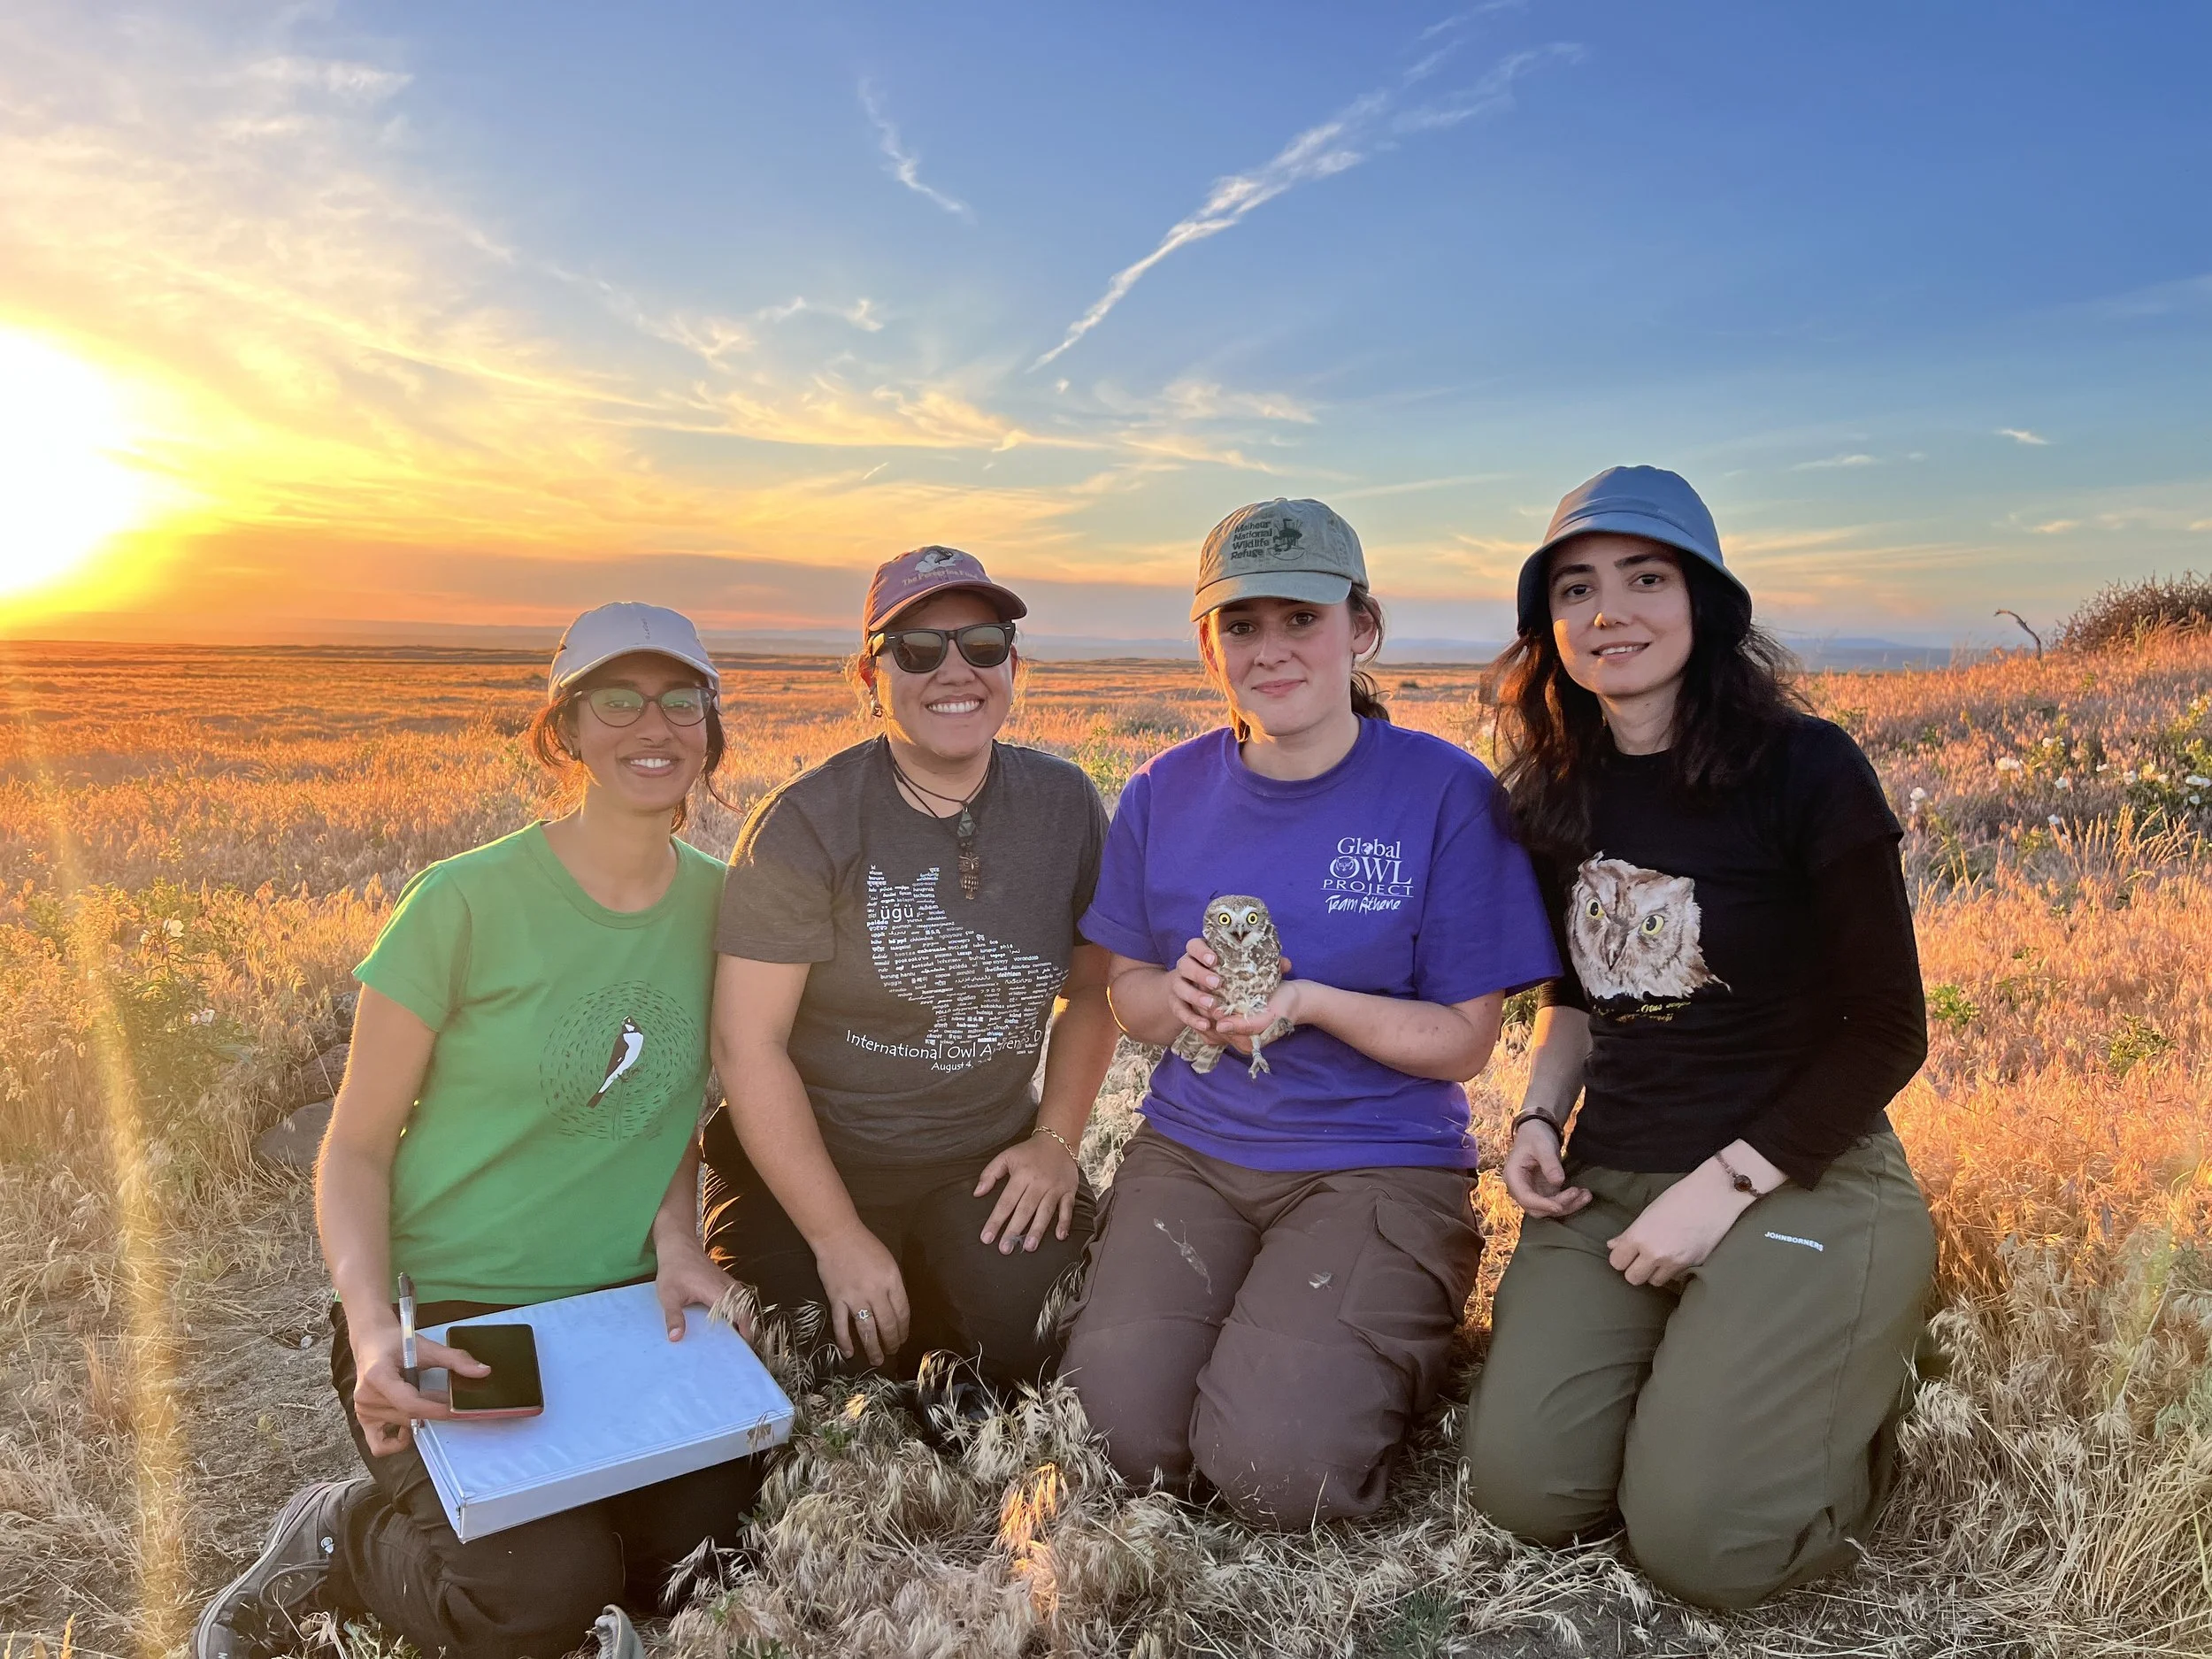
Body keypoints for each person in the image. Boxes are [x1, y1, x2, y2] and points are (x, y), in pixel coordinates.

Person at [196, 603, 755, 1659]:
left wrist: (679, 1239)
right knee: (537, 1592)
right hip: (453, 1312)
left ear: (711, 729)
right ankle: (345, 1538)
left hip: (623, 1312)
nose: (655, 723)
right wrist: (371, 1334)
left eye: (683, 699)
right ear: (565, 731)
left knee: (702, 1562)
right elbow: (353, 1148)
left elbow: (665, 1104)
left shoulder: (728, 910)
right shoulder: (459, 903)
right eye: (617, 699)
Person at [1461, 466, 1935, 1609]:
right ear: (1549, 627)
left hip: (1798, 1174)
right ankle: (1713, 1374)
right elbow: (1577, 997)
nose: (1608, 609)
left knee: (1704, 1548)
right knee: (1524, 1492)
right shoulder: (1554, 788)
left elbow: (1888, 1028)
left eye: (1645, 577)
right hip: (1612, 1174)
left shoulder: (1805, 766)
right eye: (1575, 587)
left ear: (1707, 602)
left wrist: (1721, 1187)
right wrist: (1536, 1114)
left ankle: (1837, 1379)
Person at [1058, 498, 1560, 1525]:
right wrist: (1178, 994)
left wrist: (1313, 1003)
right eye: (1240, 626)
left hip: (1373, 1160)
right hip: (1194, 1150)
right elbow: (1129, 997)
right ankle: (1264, 1338)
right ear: (1208, 645)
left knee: (1283, 1475)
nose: (1270, 651)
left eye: (1302, 620)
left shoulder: (1442, 793)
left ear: (1360, 629)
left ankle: (1362, 1346)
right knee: (1120, 1444)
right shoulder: (1163, 790)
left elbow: (1463, 1043)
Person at [703, 546, 1118, 1388]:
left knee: (1049, 1343)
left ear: (1013, 663)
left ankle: (946, 1296)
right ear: (870, 673)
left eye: (984, 645)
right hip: (816, 1163)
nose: (954, 671)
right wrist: (835, 1236)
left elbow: (1093, 993)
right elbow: (748, 1047)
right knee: (797, 1362)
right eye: (918, 650)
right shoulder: (804, 826)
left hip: (981, 1158)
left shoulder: (1065, 804)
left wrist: (1055, 1141)